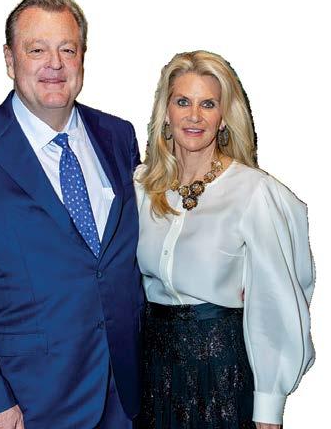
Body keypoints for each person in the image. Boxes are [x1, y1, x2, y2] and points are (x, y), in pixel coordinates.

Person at [0, 0, 144, 429]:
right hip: (31, 403)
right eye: (37, 50)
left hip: (128, 394)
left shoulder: (119, 136)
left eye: (68, 49)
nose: (55, 64)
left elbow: (135, 253)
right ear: (10, 60)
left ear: (83, 57)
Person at [134, 50, 315, 429]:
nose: (194, 116)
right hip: (152, 371)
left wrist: (269, 404)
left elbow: (278, 299)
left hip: (223, 372)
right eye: (183, 102)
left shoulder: (254, 193)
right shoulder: (141, 187)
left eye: (208, 104)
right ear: (165, 112)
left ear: (223, 117)